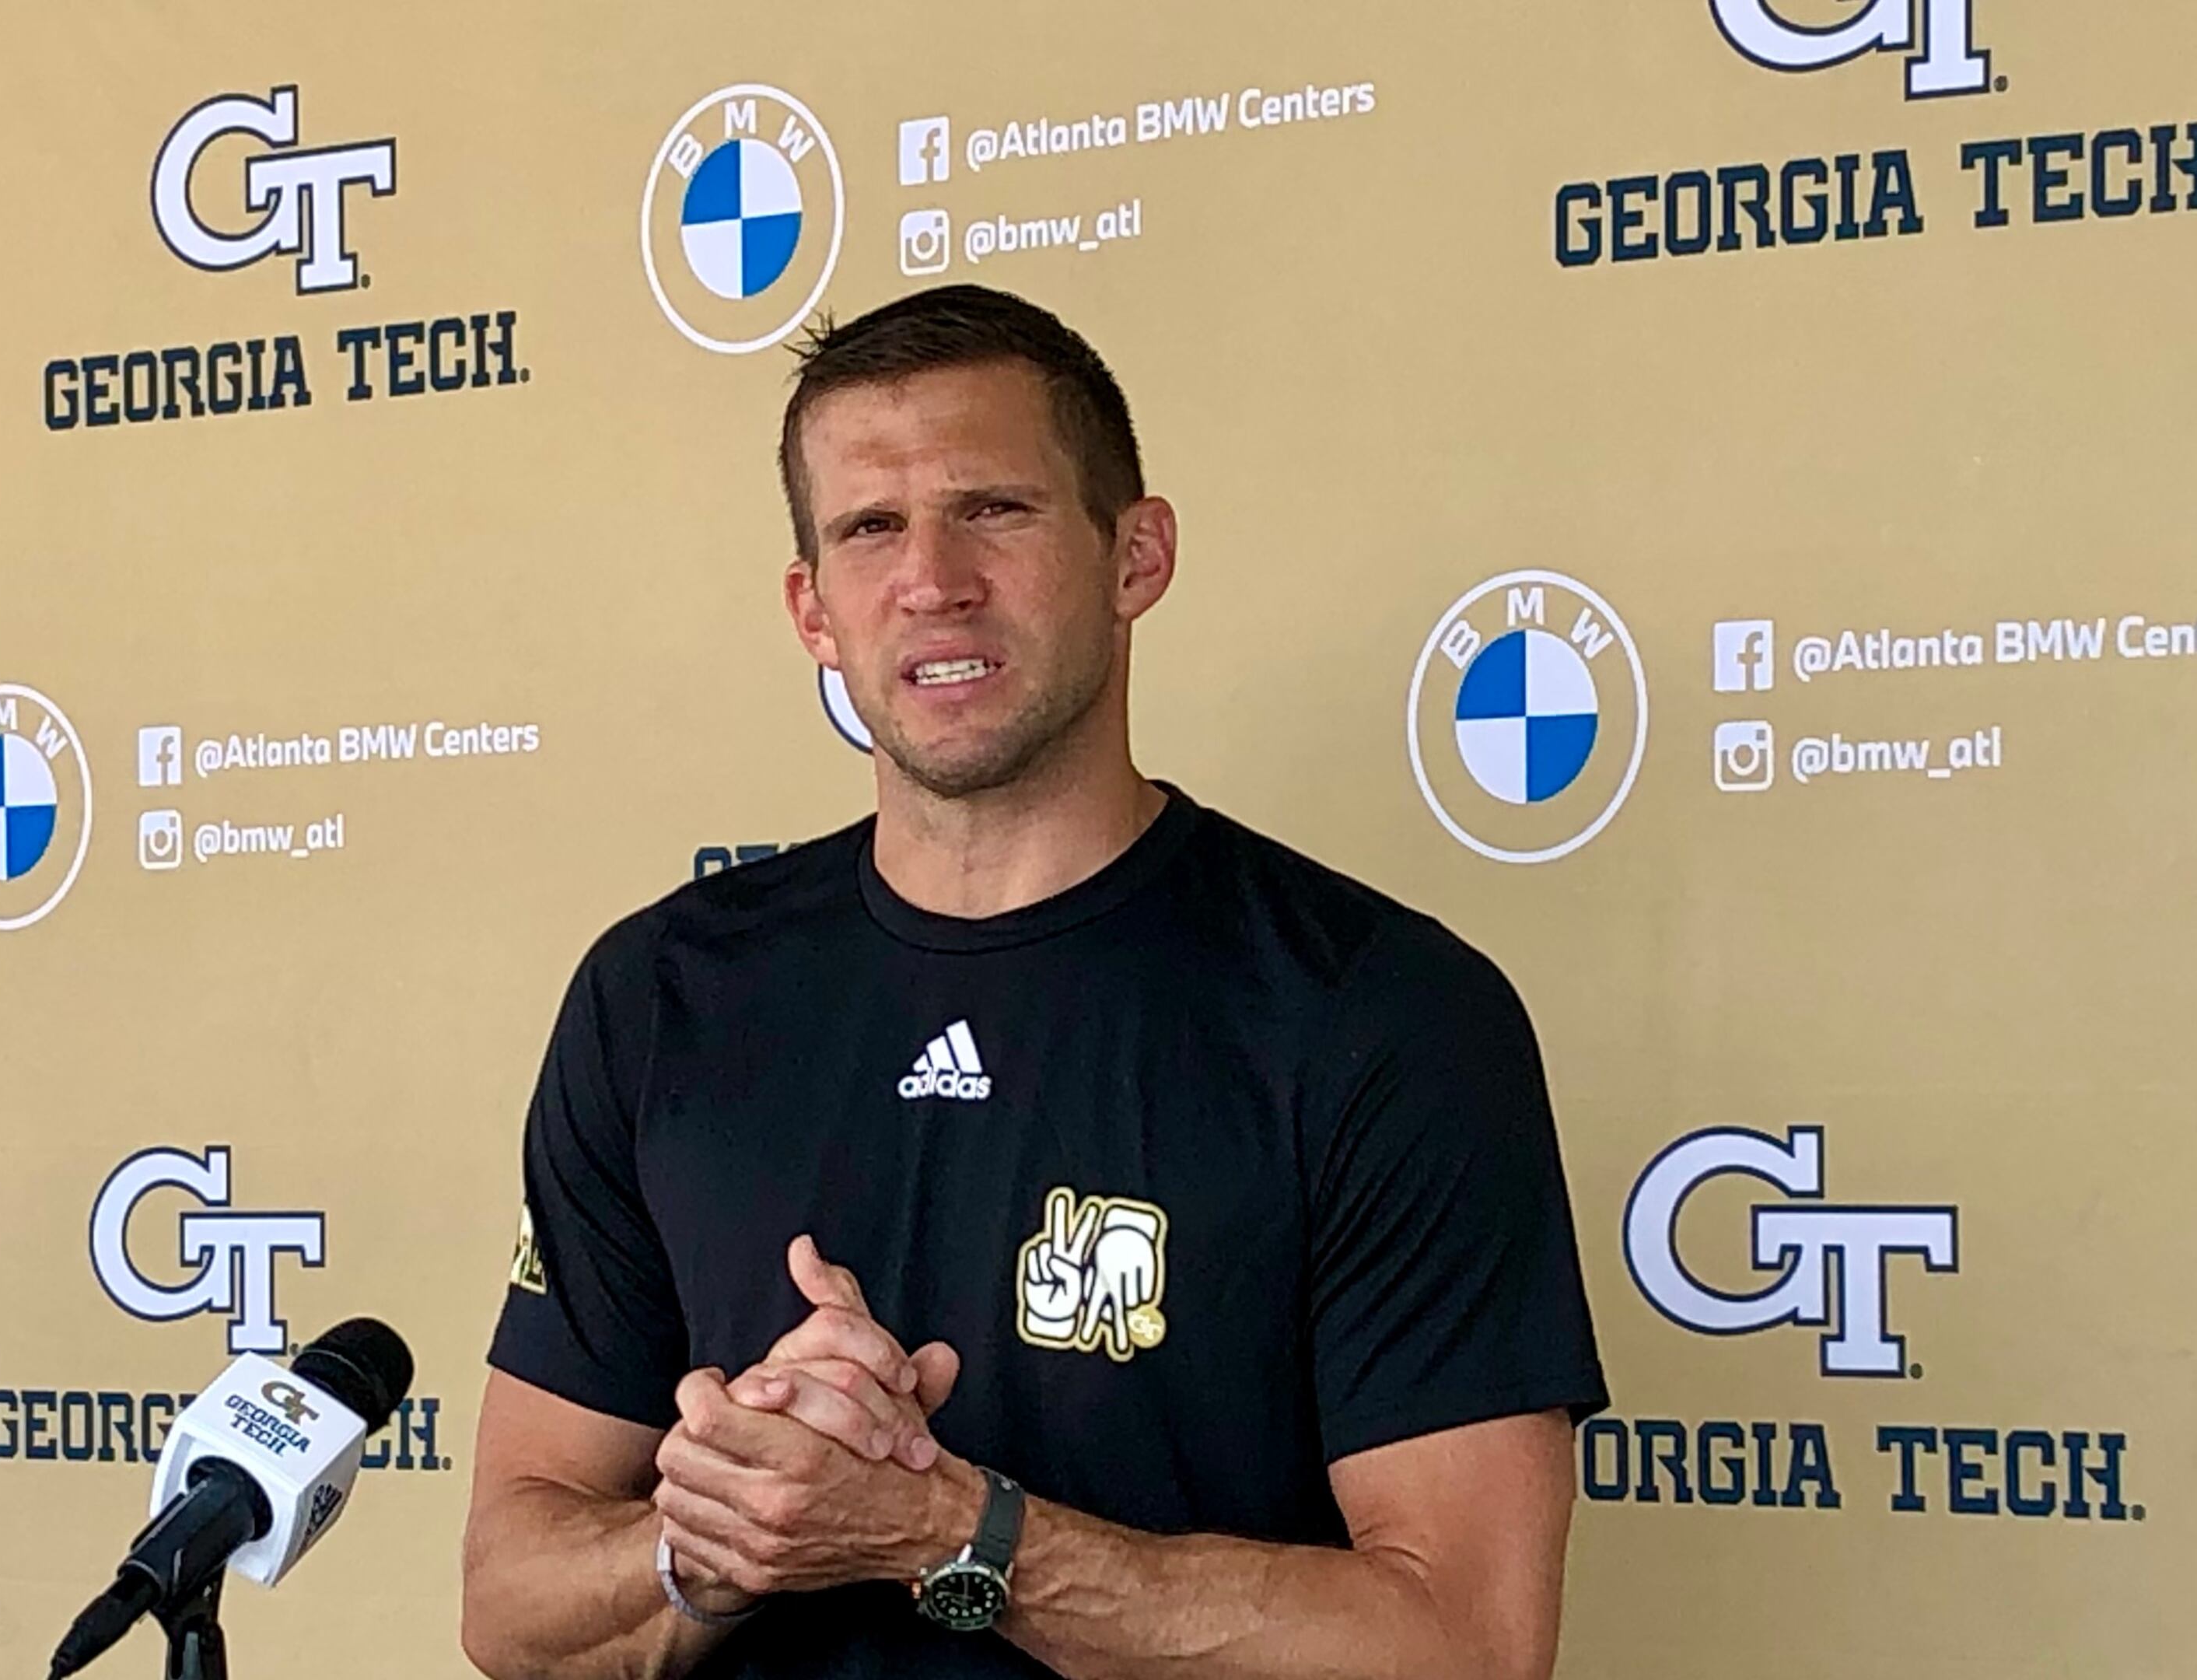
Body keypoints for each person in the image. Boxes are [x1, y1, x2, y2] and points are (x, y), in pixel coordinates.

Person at [460, 283, 1607, 1680]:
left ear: (1138, 554)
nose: (930, 578)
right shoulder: (660, 996)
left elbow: (1469, 1648)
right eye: (869, 529)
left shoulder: (1387, 1013)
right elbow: (511, 1612)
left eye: (992, 508)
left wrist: (953, 1531)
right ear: (812, 610)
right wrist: (722, 1532)